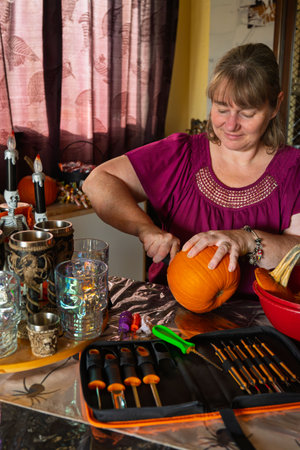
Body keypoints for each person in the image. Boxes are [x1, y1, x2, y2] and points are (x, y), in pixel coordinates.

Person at [83, 43, 300, 295]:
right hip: (172, 315)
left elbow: (297, 250)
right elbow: (98, 181)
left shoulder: (293, 169)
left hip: (260, 323)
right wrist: (146, 230)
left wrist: (246, 240)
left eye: (247, 113)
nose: (230, 124)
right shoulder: (180, 155)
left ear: (275, 106)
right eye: (221, 108)